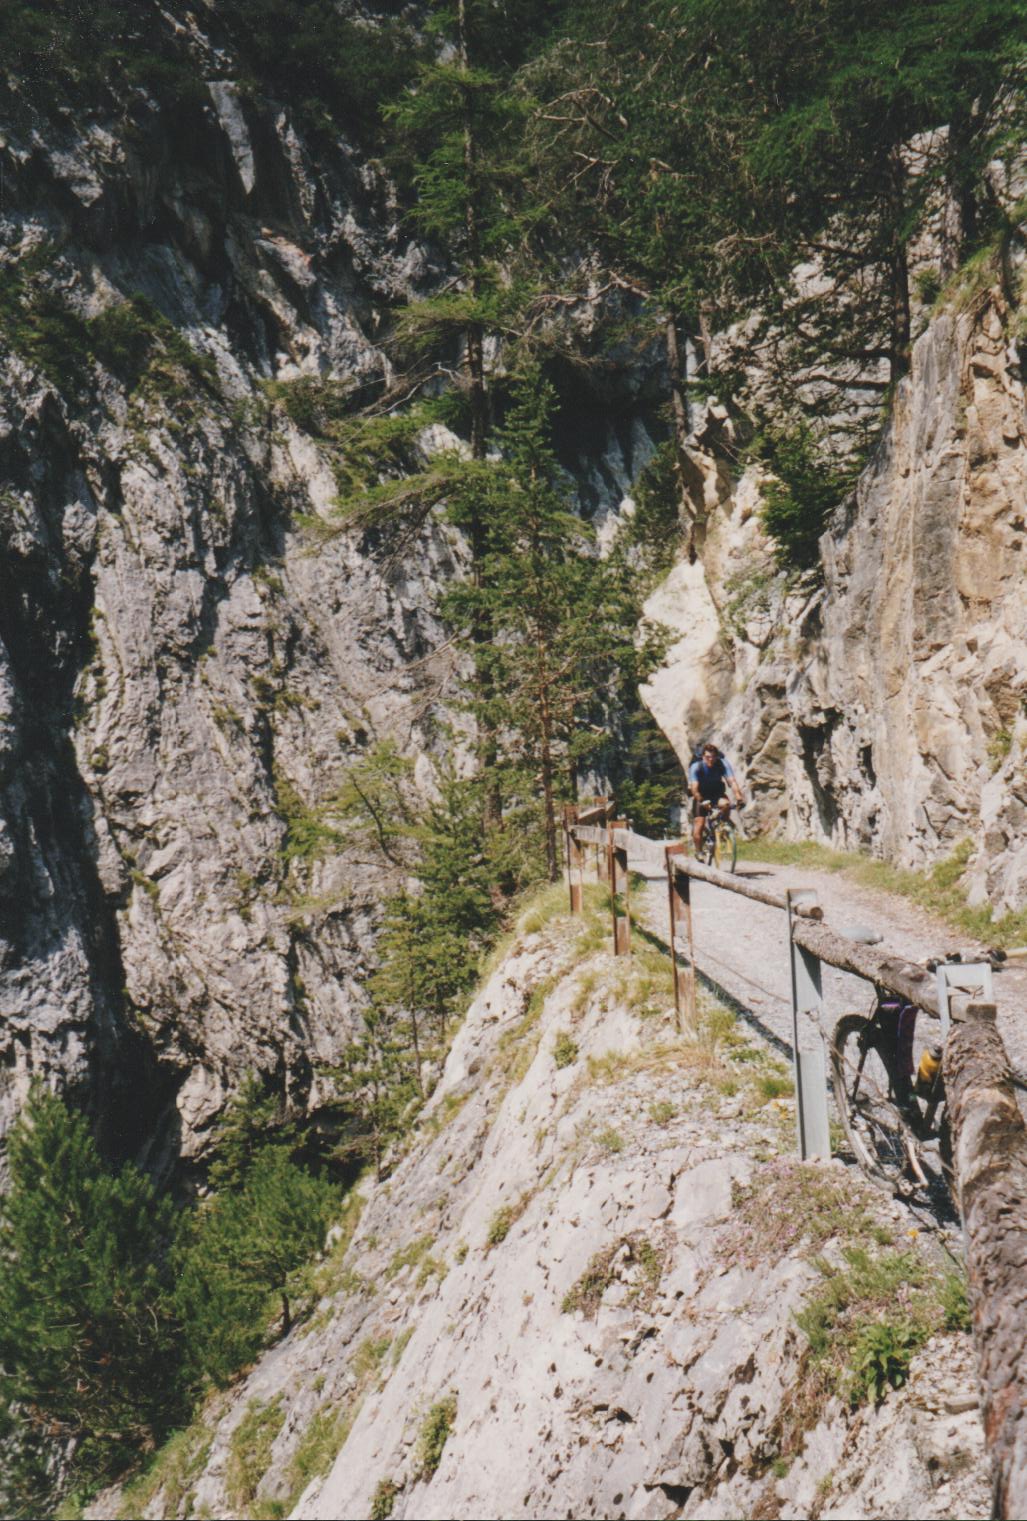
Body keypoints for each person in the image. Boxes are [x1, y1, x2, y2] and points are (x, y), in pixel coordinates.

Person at [689, 742, 744, 854]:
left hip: (716, 794)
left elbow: (732, 781)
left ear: (717, 756)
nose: (711, 760)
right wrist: (701, 801)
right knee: (698, 826)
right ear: (703, 757)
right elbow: (694, 788)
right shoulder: (696, 767)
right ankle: (699, 851)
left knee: (726, 805)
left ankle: (722, 828)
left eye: (713, 757)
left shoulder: (722, 764)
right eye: (708, 757)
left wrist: (738, 796)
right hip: (701, 795)